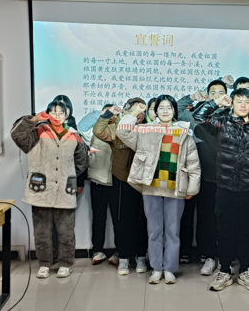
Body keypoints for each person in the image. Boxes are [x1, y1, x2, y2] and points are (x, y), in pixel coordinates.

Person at [117, 95, 201, 284]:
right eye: (161, 107)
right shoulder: (145, 131)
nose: (165, 111)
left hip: (175, 189)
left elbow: (194, 165)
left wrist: (192, 188)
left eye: (169, 107)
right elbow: (122, 132)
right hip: (151, 189)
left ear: (174, 111)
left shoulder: (184, 133)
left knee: (173, 232)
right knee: (154, 231)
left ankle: (169, 268)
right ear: (155, 112)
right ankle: (156, 268)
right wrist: (134, 112)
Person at [195, 88, 249, 291]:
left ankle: (245, 270)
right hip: (225, 186)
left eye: (247, 101)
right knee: (225, 231)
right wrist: (216, 102)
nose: (243, 105)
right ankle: (225, 271)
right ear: (232, 103)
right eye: (239, 101)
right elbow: (198, 116)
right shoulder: (223, 123)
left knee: (247, 231)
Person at [11, 97, 89, 279]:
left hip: (65, 190)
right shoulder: (37, 133)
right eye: (53, 111)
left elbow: (82, 162)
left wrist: (67, 174)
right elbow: (17, 134)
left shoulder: (75, 136)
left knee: (66, 231)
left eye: (61, 112)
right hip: (41, 189)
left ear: (68, 115)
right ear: (47, 113)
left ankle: (65, 264)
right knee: (42, 231)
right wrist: (34, 119)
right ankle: (44, 264)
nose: (57, 115)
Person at [177, 79, 227, 273]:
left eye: (220, 92)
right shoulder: (194, 116)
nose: (217, 96)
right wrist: (192, 97)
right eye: (213, 93)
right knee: (203, 219)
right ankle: (205, 255)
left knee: (221, 220)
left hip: (224, 177)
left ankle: (221, 256)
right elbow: (177, 109)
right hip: (200, 176)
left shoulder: (230, 117)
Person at [94, 98, 149, 275]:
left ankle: (141, 257)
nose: (137, 112)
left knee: (142, 222)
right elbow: (98, 131)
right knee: (122, 222)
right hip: (121, 180)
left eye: (141, 109)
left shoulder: (148, 129)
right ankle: (124, 258)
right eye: (133, 109)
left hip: (142, 182)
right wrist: (109, 114)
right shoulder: (116, 128)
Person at [79, 104, 118, 265]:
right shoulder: (94, 133)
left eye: (114, 114)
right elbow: (82, 126)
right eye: (108, 113)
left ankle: (119, 251)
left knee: (118, 220)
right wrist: (103, 114)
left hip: (116, 182)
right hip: (98, 181)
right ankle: (98, 250)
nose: (111, 116)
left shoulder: (119, 131)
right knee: (98, 218)